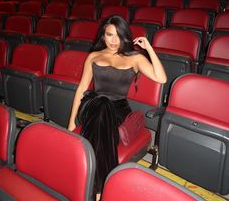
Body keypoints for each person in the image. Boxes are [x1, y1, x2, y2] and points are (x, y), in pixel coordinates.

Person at [68, 15, 167, 200]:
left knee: (102, 128)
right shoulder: (94, 56)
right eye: (109, 35)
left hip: (118, 110)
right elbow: (81, 89)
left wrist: (149, 48)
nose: (114, 41)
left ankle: (85, 182)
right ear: (103, 36)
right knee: (102, 105)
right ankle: (101, 192)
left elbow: (161, 78)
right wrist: (71, 122)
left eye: (118, 36)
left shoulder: (134, 58)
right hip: (93, 103)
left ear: (125, 36)